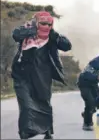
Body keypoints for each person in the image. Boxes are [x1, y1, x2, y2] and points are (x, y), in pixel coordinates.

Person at [11, 11, 72, 139]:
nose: (46, 26)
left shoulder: (52, 36)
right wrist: (32, 30)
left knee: (44, 102)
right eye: (43, 23)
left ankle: (47, 131)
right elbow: (16, 34)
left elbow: (67, 46)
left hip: (43, 75)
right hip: (22, 75)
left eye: (49, 24)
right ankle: (25, 131)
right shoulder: (25, 30)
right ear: (36, 22)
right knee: (26, 104)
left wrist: (55, 35)